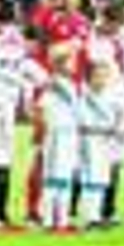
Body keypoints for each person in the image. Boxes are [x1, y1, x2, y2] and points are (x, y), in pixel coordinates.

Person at [0, 6, 39, 231]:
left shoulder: (13, 50)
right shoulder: (6, 47)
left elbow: (25, 76)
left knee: (5, 162)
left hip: (4, 113)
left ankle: (1, 216)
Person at [78, 51, 124, 230]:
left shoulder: (111, 96)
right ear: (89, 78)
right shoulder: (83, 97)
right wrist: (103, 129)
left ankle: (97, 215)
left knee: (102, 179)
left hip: (106, 143)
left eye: (105, 76)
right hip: (90, 141)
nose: (102, 80)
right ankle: (89, 217)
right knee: (90, 179)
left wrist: (116, 128)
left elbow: (118, 117)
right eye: (98, 76)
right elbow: (82, 123)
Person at [38, 42, 82, 232]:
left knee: (65, 175)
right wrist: (46, 131)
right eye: (71, 61)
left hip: (70, 133)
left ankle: (62, 220)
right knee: (53, 176)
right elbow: (42, 108)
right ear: (60, 63)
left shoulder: (69, 84)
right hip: (57, 133)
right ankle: (49, 219)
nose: (75, 64)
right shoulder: (53, 84)